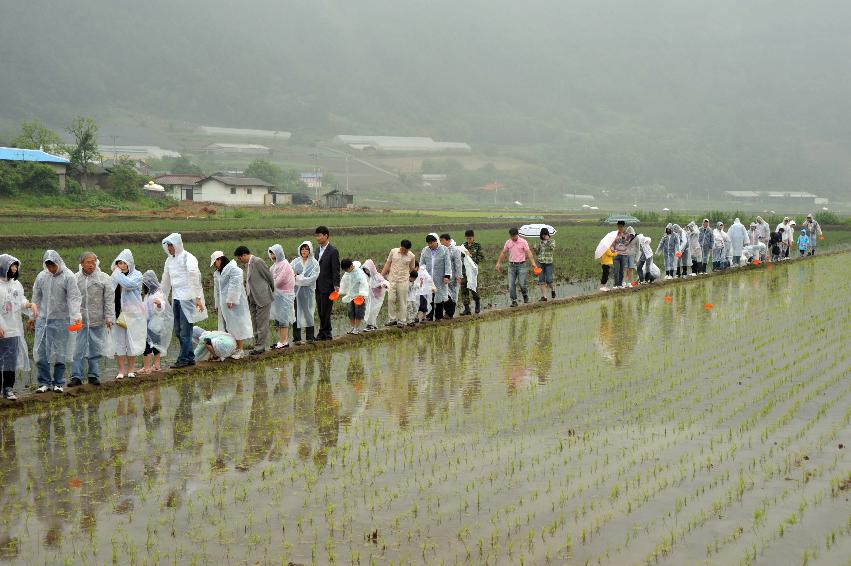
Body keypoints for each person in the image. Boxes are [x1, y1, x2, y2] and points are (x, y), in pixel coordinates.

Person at [32, 250, 82, 393]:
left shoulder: (68, 276)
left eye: (53, 265)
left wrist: (76, 316)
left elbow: (74, 298)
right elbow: (36, 297)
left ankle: (58, 382)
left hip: (61, 320)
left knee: (61, 352)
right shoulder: (42, 277)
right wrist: (32, 317)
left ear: (58, 263)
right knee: (40, 352)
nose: (51, 269)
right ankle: (44, 382)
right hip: (43, 321)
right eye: (48, 266)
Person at [161, 233, 207, 369]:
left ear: (177, 244)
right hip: (176, 298)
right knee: (178, 330)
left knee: (185, 331)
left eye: (171, 245)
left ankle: (183, 359)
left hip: (187, 299)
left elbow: (194, 277)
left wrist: (198, 298)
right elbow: (165, 281)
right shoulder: (169, 261)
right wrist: (160, 297)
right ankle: (190, 357)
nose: (169, 248)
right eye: (168, 246)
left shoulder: (188, 257)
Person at [70, 252, 114, 387]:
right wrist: (73, 315)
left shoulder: (103, 278)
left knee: (95, 348)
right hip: (80, 321)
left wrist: (109, 316)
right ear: (82, 263)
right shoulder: (75, 279)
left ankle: (93, 375)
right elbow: (71, 299)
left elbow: (109, 299)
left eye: (94, 261)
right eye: (88, 262)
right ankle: (76, 376)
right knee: (78, 349)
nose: (91, 264)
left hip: (97, 319)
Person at [0, 255, 37, 400]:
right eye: (11, 266)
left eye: (16, 266)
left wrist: (29, 305)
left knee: (10, 360)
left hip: (13, 328)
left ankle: (8, 388)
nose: (14, 269)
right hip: (1, 327)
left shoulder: (16, 284)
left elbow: (19, 301)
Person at [111, 249, 146, 380]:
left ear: (129, 263)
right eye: (119, 263)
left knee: (132, 341)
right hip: (118, 314)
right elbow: (109, 289)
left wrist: (116, 273)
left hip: (133, 314)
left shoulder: (137, 275)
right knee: (119, 343)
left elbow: (128, 284)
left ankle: (131, 370)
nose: (122, 265)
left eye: (124, 263)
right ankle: (121, 371)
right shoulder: (115, 276)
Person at [213, 251, 253, 359]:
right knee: (227, 326)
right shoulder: (217, 273)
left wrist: (231, 299)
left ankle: (240, 349)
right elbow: (217, 290)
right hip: (223, 304)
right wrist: (217, 304)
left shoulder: (234, 269)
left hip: (235, 304)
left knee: (237, 325)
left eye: (215, 262)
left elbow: (235, 285)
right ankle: (232, 348)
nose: (214, 265)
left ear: (220, 259)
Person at [234, 246, 274, 355]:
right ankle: (257, 344)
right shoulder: (248, 264)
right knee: (254, 323)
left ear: (244, 255)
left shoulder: (257, 262)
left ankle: (260, 347)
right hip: (252, 298)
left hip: (262, 297)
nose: (239, 260)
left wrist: (270, 290)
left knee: (262, 323)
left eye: (239, 258)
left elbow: (269, 276)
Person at [495, 228, 539, 306]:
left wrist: (533, 263)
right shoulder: (508, 242)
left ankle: (525, 294)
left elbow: (528, 252)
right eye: (511, 236)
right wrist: (498, 263)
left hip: (521, 265)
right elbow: (503, 252)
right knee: (511, 284)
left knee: (522, 283)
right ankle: (514, 301)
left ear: (517, 235)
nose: (513, 238)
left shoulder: (523, 242)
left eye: (514, 236)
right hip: (511, 266)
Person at [141, 270, 171, 374]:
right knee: (155, 343)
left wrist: (158, 305)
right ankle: (156, 365)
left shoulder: (157, 294)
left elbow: (161, 306)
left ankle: (147, 367)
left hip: (153, 323)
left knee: (148, 344)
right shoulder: (149, 294)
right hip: (150, 322)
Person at [380, 239, 416, 326]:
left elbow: (412, 268)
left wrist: (406, 275)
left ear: (409, 249)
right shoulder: (393, 252)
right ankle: (392, 319)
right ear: (401, 246)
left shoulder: (411, 256)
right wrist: (381, 275)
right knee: (391, 299)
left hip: (403, 281)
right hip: (392, 279)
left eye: (406, 250)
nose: (404, 251)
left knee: (402, 301)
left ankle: (402, 321)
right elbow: (388, 263)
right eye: (403, 249)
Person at [314, 226, 341, 341]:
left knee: (326, 310)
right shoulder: (317, 250)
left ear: (326, 236)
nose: (317, 238)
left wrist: (336, 286)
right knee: (320, 310)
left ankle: (324, 332)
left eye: (319, 235)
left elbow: (336, 269)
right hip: (317, 285)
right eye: (316, 236)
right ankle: (326, 332)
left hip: (328, 285)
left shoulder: (333, 251)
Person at [291, 241, 320, 343]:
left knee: (308, 313)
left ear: (310, 251)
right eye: (302, 249)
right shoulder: (295, 262)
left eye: (306, 249)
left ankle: (310, 336)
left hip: (308, 293)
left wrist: (298, 277)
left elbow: (312, 279)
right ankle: (297, 338)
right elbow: (290, 274)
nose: (304, 251)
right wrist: (297, 277)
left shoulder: (314, 263)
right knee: (295, 314)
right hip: (296, 293)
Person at [268, 244, 295, 349]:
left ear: (279, 253)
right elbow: (270, 278)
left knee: (283, 318)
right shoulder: (274, 266)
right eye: (271, 254)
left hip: (285, 295)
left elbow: (279, 281)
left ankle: (284, 342)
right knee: (278, 319)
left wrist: (271, 285)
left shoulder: (285, 264)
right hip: (277, 295)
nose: (273, 256)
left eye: (274, 254)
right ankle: (281, 340)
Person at [420, 233, 453, 319]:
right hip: (429, 277)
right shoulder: (425, 250)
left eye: (431, 243)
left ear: (436, 241)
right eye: (428, 243)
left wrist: (447, 276)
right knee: (429, 296)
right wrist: (421, 275)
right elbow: (422, 264)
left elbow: (448, 264)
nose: (430, 245)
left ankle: (439, 316)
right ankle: (429, 316)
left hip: (440, 276)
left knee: (439, 296)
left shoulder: (444, 250)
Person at [339, 259, 369, 334]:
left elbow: (364, 284)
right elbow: (343, 281)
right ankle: (353, 327)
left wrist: (362, 294)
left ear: (351, 266)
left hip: (359, 295)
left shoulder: (359, 273)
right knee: (350, 311)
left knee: (358, 311)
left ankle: (356, 328)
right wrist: (341, 290)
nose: (346, 271)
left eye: (347, 269)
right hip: (350, 295)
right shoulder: (347, 273)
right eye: (345, 270)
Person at [440, 234, 463, 318]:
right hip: (443, 276)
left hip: (452, 277)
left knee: (452, 295)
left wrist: (458, 276)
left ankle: (450, 313)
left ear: (448, 240)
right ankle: (447, 312)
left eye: (443, 240)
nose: (441, 242)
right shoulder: (441, 250)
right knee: (444, 294)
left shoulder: (455, 250)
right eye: (440, 241)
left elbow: (458, 264)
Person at [460, 230, 484, 315]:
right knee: (464, 290)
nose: (468, 240)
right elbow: (460, 257)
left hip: (473, 272)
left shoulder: (477, 246)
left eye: (470, 238)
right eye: (467, 238)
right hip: (464, 271)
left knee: (473, 288)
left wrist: (471, 259)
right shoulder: (463, 246)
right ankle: (467, 309)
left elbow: (481, 257)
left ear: (473, 237)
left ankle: (477, 305)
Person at [362, 259, 388, 331]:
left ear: (371, 269)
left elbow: (384, 283)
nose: (366, 271)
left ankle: (370, 325)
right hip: (370, 297)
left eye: (367, 269)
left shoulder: (377, 276)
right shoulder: (368, 277)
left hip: (378, 297)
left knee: (373, 310)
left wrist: (382, 285)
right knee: (370, 310)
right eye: (365, 269)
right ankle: (373, 324)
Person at [536, 228, 556, 300]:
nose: (544, 236)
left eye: (546, 234)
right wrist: (535, 248)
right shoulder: (540, 242)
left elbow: (552, 248)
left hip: (549, 263)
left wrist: (548, 241)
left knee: (549, 280)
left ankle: (553, 289)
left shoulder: (552, 241)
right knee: (541, 280)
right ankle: (544, 297)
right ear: (541, 235)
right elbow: (537, 253)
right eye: (543, 234)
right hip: (540, 263)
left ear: (548, 234)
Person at [609, 221, 631, 288]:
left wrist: (624, 240)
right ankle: (616, 285)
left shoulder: (627, 234)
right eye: (618, 226)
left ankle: (620, 284)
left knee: (621, 271)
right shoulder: (614, 234)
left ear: (623, 226)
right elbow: (612, 244)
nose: (619, 228)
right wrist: (612, 250)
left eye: (621, 226)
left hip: (624, 255)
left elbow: (628, 244)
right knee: (616, 270)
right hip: (616, 254)